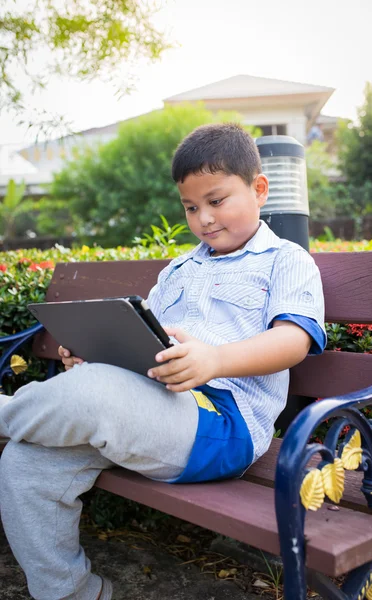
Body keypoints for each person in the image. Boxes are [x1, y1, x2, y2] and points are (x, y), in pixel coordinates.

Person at [0, 123, 326, 600]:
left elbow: (293, 341)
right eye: (191, 207)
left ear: (259, 189)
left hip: (222, 422)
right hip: (151, 406)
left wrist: (214, 360)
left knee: (95, 393)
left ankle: (11, 411)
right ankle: (72, 593)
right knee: (24, 464)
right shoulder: (178, 270)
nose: (204, 219)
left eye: (217, 201)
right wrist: (96, 351)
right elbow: (146, 337)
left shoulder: (286, 259)